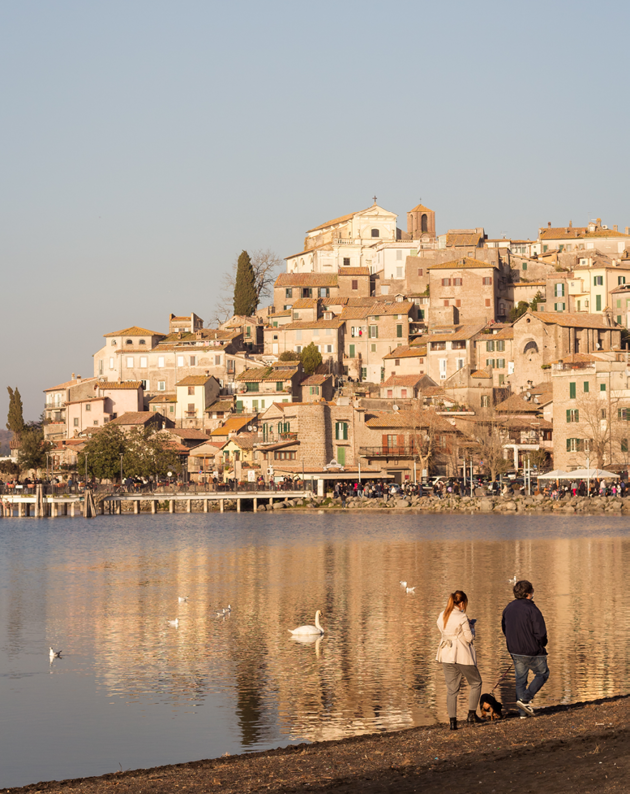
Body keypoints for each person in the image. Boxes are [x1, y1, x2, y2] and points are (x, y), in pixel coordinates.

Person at [436, 590, 483, 730]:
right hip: (461, 655)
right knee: (476, 682)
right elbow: (469, 638)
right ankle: (471, 715)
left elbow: (443, 631)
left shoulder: (442, 615)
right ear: (461, 603)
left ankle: (452, 722)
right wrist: (472, 628)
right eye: (465, 603)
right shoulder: (462, 617)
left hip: (446, 654)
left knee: (452, 690)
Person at [502, 579, 549, 717]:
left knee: (520, 681)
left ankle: (522, 713)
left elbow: (505, 628)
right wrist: (542, 643)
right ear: (529, 593)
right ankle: (525, 699)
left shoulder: (508, 608)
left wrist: (512, 642)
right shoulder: (532, 609)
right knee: (542, 673)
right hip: (532, 650)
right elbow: (541, 633)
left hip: (515, 650)